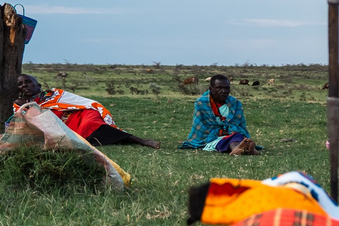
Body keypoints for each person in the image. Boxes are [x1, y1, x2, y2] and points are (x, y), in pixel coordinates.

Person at [14, 74, 158, 147]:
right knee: (82, 133)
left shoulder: (55, 94)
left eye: (28, 82)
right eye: (20, 84)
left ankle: (140, 140)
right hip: (63, 125)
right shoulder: (19, 104)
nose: (24, 86)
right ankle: (120, 140)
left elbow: (81, 103)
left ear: (38, 85)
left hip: (78, 115)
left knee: (90, 122)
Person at [181, 75, 256, 153]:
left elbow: (239, 126)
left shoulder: (235, 104)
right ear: (211, 89)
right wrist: (222, 132)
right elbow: (203, 129)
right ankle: (239, 148)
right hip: (210, 138)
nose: (223, 91)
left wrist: (229, 132)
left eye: (227, 88)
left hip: (232, 134)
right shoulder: (201, 103)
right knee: (228, 139)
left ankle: (243, 148)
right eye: (219, 88)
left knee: (237, 136)